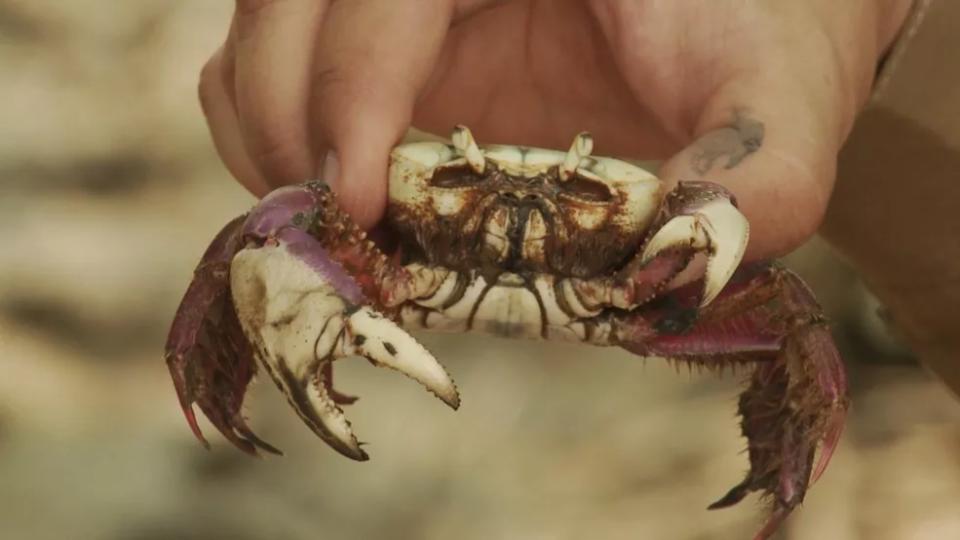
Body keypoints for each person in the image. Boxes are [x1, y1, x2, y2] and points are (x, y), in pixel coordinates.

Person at [198, 0, 960, 397]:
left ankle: (779, 477)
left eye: (580, 188)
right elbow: (272, 233)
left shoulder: (654, 279)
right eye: (463, 177)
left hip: (619, 280)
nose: (519, 218)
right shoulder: (377, 250)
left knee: (791, 314)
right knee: (268, 231)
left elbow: (792, 328)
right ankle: (219, 393)